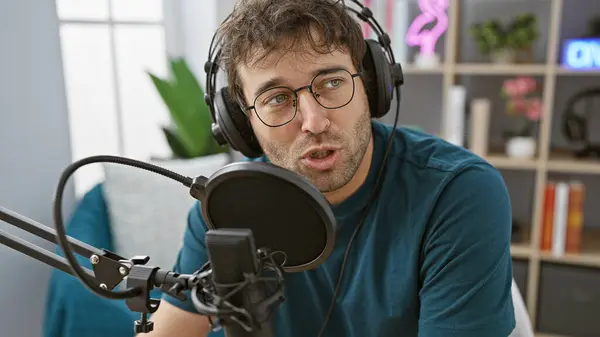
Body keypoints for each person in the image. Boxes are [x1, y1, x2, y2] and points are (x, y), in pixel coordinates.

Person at [144, 0, 516, 336]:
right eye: (277, 99)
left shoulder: (456, 193)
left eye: (332, 83)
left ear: (371, 85)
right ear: (241, 125)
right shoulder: (227, 210)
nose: (314, 121)